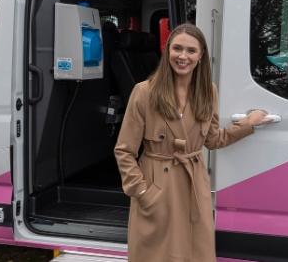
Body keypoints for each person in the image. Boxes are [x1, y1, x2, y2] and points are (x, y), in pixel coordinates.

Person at [114, 24, 270, 262]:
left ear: (201, 56)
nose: (183, 56)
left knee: (195, 254)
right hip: (157, 187)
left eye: (190, 50)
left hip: (194, 185)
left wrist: (248, 124)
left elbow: (213, 139)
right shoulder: (145, 92)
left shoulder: (209, 92)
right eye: (177, 48)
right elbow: (124, 151)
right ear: (167, 51)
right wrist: (142, 191)